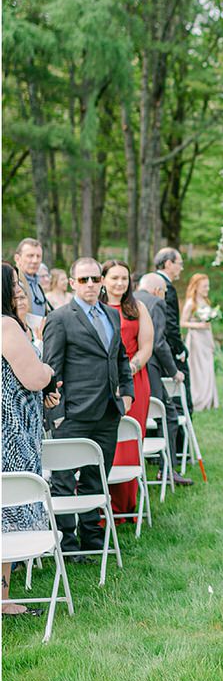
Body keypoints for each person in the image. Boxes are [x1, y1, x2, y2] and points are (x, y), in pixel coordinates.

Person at [42, 257, 134, 557]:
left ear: (102, 281)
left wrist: (127, 393)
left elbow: (120, 358)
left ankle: (93, 538)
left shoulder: (111, 314)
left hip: (108, 412)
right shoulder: (60, 318)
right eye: (84, 280)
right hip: (73, 414)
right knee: (64, 481)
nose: (91, 284)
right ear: (73, 283)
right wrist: (56, 414)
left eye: (95, 278)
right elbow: (52, 368)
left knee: (97, 476)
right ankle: (67, 544)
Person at [1, 263, 56, 617]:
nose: (21, 288)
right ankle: (2, 598)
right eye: (15, 284)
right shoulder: (5, 325)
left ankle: (3, 596)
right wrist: (48, 372)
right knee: (7, 511)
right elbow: (34, 377)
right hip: (9, 432)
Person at [100, 260, 154, 518]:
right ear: (103, 280)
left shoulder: (137, 307)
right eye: (115, 278)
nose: (120, 283)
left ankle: (125, 505)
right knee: (105, 438)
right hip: (102, 381)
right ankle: (101, 502)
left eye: (124, 278)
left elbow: (147, 346)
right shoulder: (96, 308)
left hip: (134, 379)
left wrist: (128, 370)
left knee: (129, 441)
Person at [135, 274, 193, 486]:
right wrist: (173, 370)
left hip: (129, 369)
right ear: (158, 291)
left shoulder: (130, 300)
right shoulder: (156, 303)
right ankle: (166, 469)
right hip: (149, 369)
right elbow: (159, 342)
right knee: (168, 416)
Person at [154, 247, 193, 414]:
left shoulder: (150, 283)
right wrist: (180, 350)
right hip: (168, 351)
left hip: (155, 353)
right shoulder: (166, 288)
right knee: (181, 398)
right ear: (168, 264)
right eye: (180, 264)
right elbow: (170, 324)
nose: (181, 268)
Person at [181, 273, 219, 411]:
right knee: (198, 369)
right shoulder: (191, 304)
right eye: (204, 286)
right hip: (196, 339)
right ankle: (198, 398)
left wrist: (211, 341)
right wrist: (199, 325)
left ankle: (209, 398)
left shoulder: (206, 302)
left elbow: (208, 325)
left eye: (208, 286)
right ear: (196, 287)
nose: (207, 289)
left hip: (206, 338)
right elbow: (182, 322)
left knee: (207, 366)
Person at [14, 238, 50, 343]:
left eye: (38, 256)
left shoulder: (38, 284)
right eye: (30, 256)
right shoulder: (13, 283)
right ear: (17, 258)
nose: (35, 260)